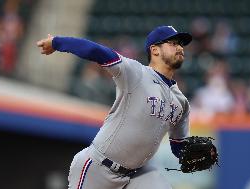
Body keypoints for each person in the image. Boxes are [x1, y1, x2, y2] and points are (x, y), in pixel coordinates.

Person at [37, 26, 193, 189]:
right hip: (99, 168)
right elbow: (98, 52)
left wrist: (193, 153)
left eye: (181, 44)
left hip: (136, 176)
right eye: (173, 43)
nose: (180, 48)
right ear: (155, 50)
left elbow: (179, 146)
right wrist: (56, 42)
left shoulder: (181, 101)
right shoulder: (136, 73)